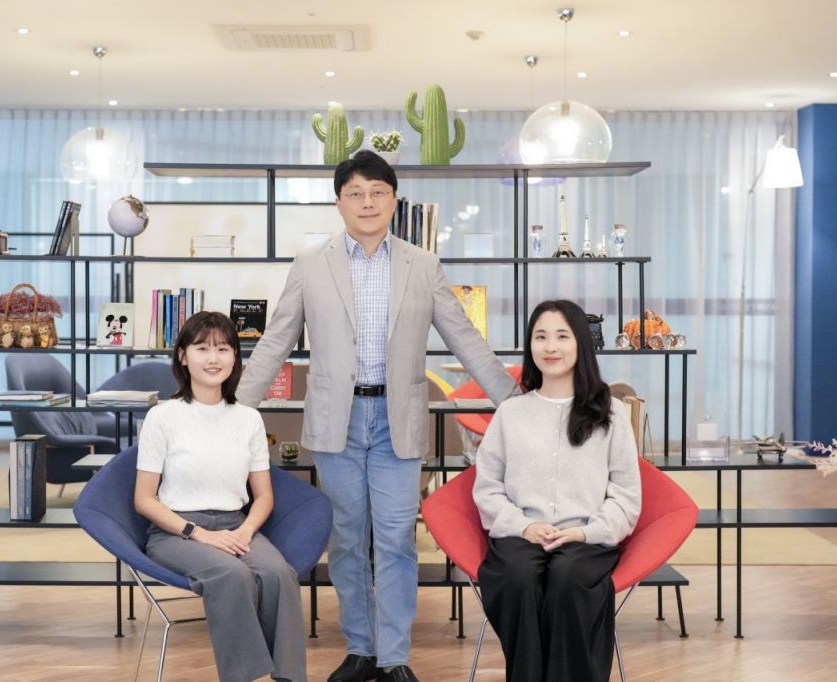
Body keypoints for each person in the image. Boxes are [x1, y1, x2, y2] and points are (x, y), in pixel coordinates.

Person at [236, 150, 518, 682]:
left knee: (394, 540)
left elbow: (465, 338)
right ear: (338, 202)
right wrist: (235, 408)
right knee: (346, 539)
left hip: (397, 419)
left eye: (377, 192)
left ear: (394, 200)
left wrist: (514, 399)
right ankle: (360, 649)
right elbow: (276, 340)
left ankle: (393, 657)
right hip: (336, 420)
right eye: (355, 193)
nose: (367, 202)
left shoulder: (423, 265)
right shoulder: (311, 262)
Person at [472, 299, 642, 682]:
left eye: (562, 336)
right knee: (518, 577)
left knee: (568, 577)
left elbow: (626, 496)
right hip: (521, 535)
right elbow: (488, 488)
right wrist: (523, 526)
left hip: (586, 538)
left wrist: (585, 532)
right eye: (541, 337)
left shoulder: (611, 414)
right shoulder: (511, 413)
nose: (550, 347)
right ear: (530, 345)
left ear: (580, 343)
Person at [134, 311, 307, 682]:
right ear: (183, 356)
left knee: (279, 574)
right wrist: (200, 534)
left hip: (234, 525)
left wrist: (245, 531)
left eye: (223, 349)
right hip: (176, 532)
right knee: (232, 574)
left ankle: (290, 677)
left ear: (235, 357)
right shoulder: (162, 417)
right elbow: (144, 500)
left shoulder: (248, 419)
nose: (213, 359)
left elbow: (263, 496)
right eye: (202, 348)